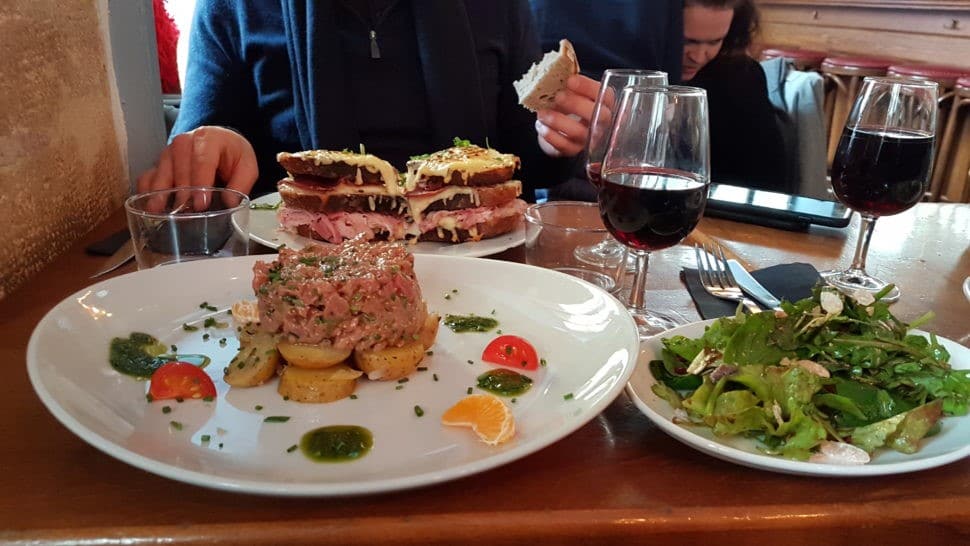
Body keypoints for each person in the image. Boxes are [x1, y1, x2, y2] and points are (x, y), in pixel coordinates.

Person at [137, 0, 599, 201]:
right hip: (303, 264)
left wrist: (558, 140)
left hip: (474, 255)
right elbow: (205, 143)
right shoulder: (232, 5)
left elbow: (523, 159)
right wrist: (214, 146)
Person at [681, 0, 792, 193]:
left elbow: (768, 182)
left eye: (715, 41)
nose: (699, 57)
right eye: (686, 41)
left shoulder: (741, 76)